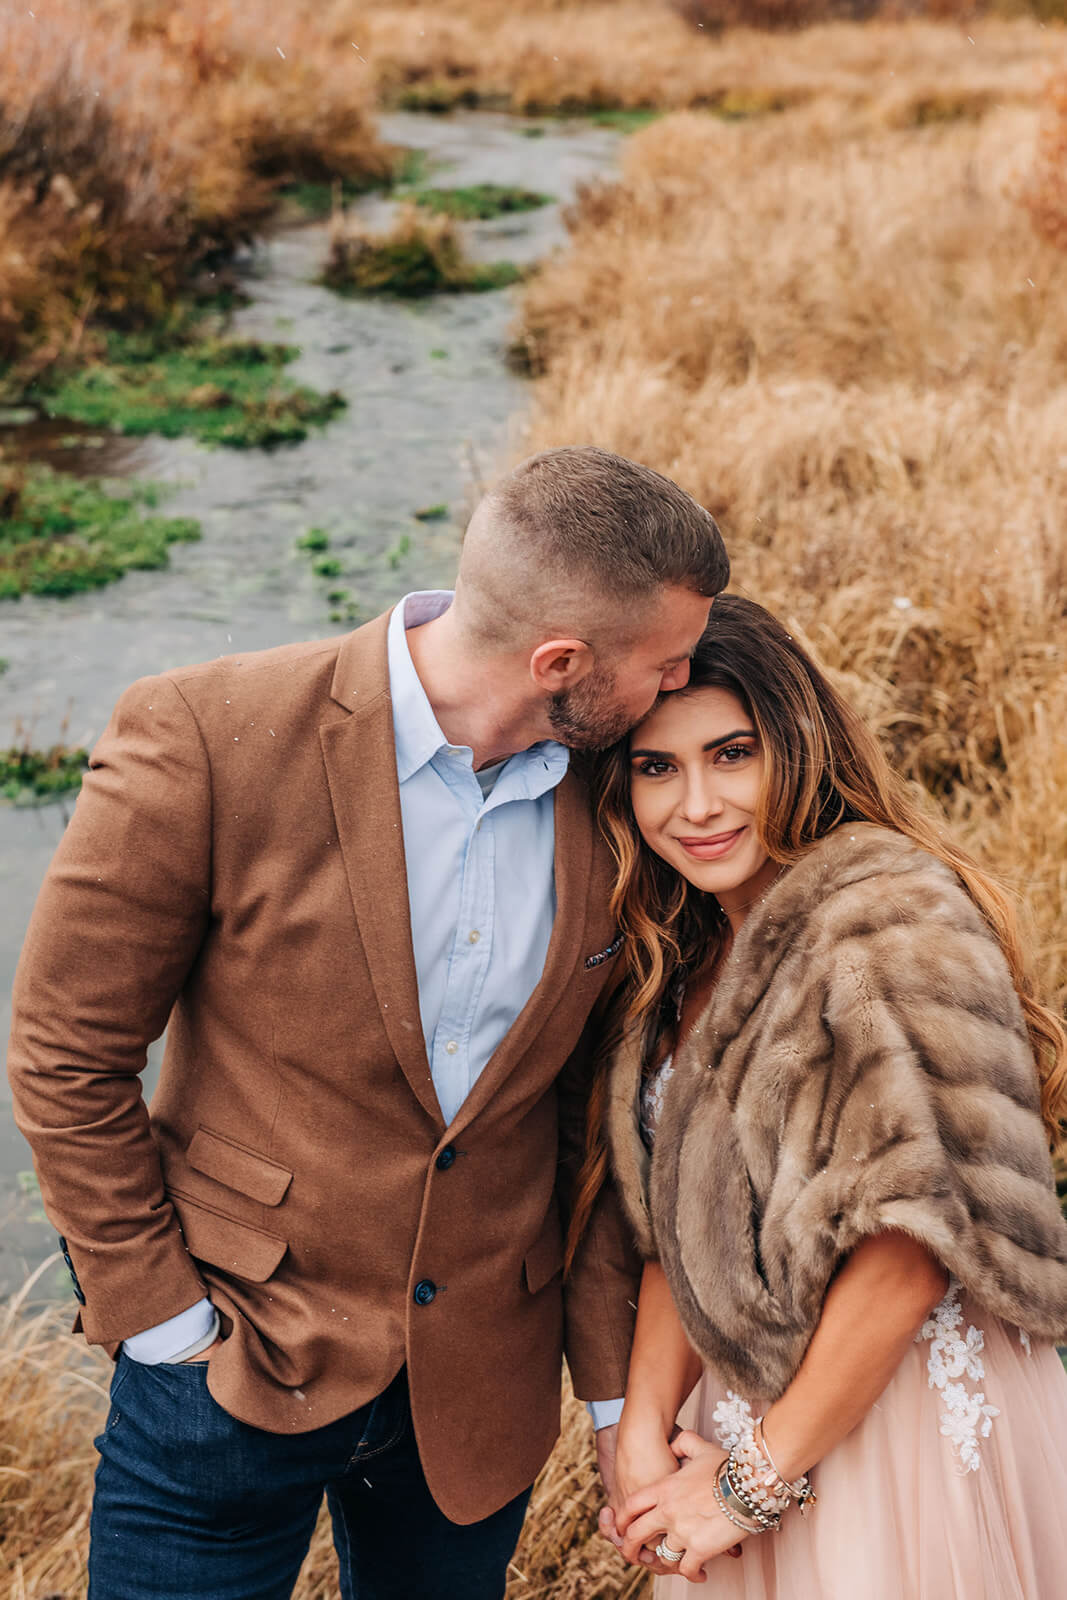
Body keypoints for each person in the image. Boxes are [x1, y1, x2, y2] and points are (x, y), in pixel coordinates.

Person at [6, 446, 729, 1600]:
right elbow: (64, 1056)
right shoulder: (203, 732)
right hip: (223, 1371)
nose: (680, 682)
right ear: (558, 661)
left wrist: (609, 1397)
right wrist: (161, 1324)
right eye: (662, 662)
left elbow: (589, 1124)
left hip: (476, 1404)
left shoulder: (618, 790)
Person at [573, 593, 1067, 1596]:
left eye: (731, 754)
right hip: (740, 1419)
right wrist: (640, 1432)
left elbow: (907, 1256)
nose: (695, 806)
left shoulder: (889, 921)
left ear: (795, 748)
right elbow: (685, 1223)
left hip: (891, 1425)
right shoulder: (691, 951)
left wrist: (744, 1489)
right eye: (655, 768)